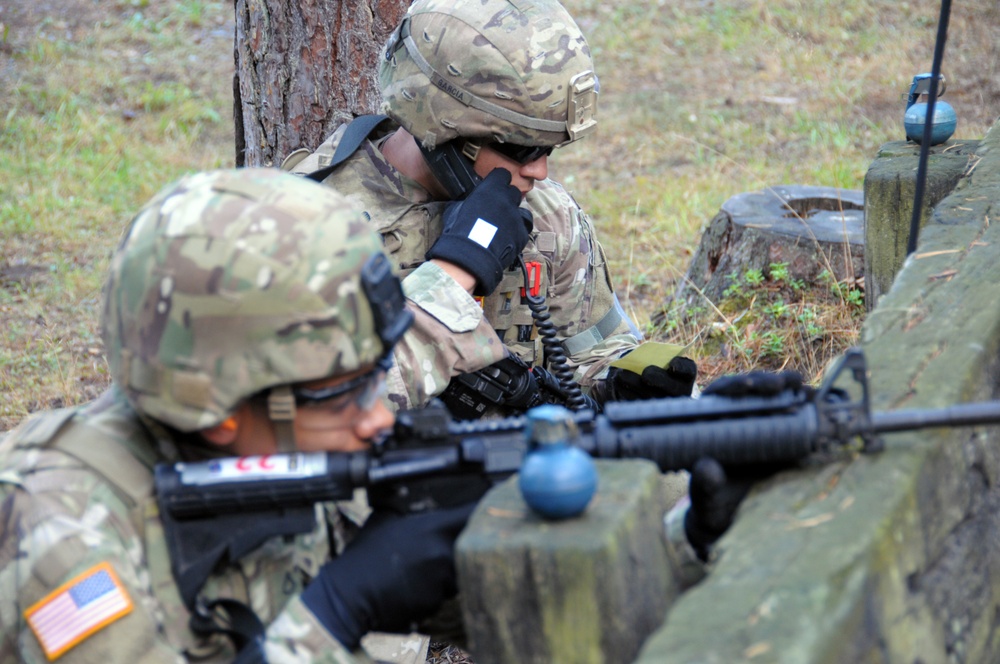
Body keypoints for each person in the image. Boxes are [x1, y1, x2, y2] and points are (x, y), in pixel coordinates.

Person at [0, 168, 472, 663]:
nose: (377, 418)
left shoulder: (280, 450)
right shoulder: (54, 528)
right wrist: (337, 608)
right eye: (344, 395)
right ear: (220, 410)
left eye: (377, 374)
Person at [284, 0, 698, 416]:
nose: (539, 169)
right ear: (444, 125)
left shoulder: (546, 212)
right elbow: (313, 408)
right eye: (520, 148)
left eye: (548, 148)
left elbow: (592, 349)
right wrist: (460, 268)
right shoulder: (304, 225)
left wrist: (619, 384)